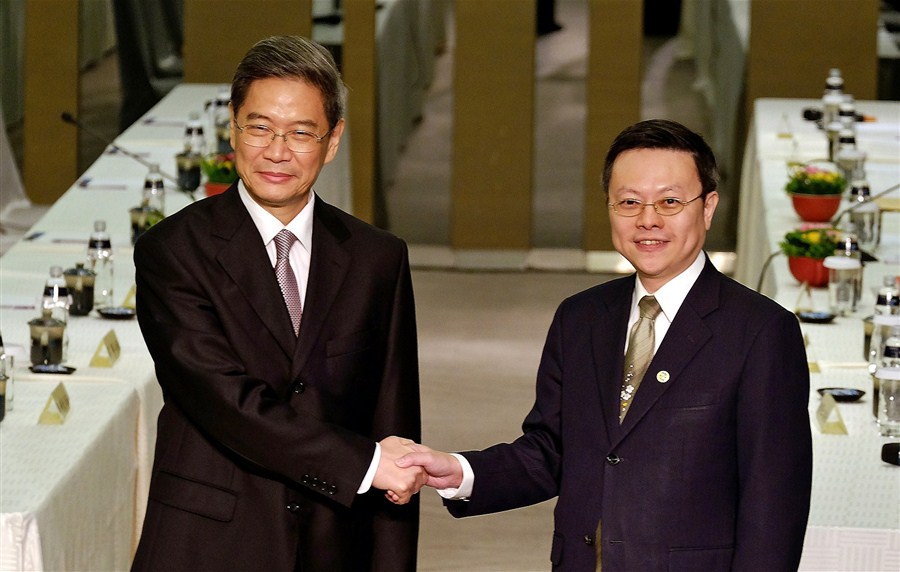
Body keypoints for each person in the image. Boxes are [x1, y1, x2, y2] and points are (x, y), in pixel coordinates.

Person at [398, 119, 813, 571]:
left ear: (708, 207)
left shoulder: (762, 332)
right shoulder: (580, 318)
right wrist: (461, 472)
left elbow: (774, 507)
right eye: (629, 202)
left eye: (670, 202)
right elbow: (552, 451)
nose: (647, 219)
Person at [132, 35, 423, 572]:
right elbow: (223, 399)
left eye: (301, 133)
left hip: (336, 542)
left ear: (332, 140)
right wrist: (366, 463)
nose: (277, 151)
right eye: (259, 127)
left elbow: (393, 419)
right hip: (207, 544)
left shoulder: (378, 259)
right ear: (233, 128)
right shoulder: (172, 251)